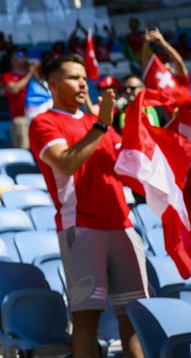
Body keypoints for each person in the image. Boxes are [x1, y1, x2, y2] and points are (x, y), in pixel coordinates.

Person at [29, 54, 146, 358]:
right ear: (53, 84)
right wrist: (102, 125)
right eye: (73, 77)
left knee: (133, 316)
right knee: (86, 317)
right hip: (81, 229)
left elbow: (131, 166)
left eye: (84, 77)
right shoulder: (44, 122)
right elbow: (66, 163)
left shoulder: (98, 124)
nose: (82, 83)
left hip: (123, 226)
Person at [2, 46, 35, 148]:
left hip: (36, 117)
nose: (24, 57)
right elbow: (14, 89)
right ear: (13, 60)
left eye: (24, 54)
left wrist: (35, 71)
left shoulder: (33, 74)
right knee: (24, 149)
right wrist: (30, 74)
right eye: (20, 55)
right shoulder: (8, 76)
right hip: (21, 119)